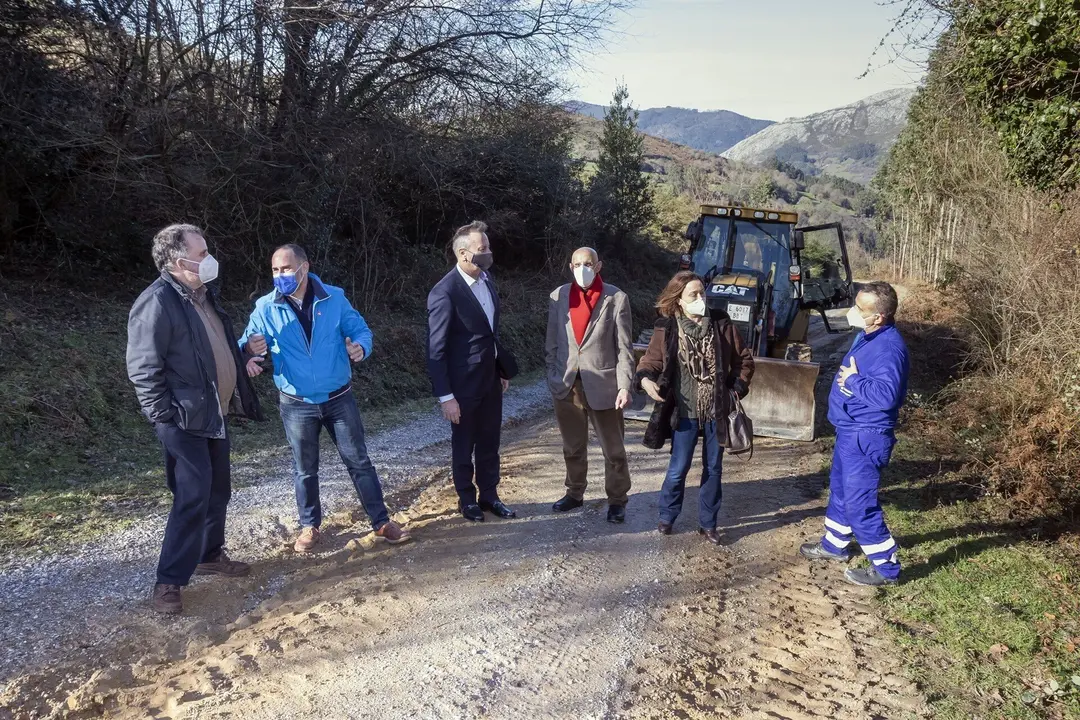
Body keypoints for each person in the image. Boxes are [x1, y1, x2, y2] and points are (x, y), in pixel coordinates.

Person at [126, 223, 264, 615]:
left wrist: (242, 360)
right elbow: (143, 368)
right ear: (176, 261)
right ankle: (168, 581)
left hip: (213, 413)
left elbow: (213, 349)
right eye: (201, 254)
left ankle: (209, 555)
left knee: (218, 489)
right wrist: (163, 416)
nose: (209, 260)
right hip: (182, 420)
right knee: (192, 495)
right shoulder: (156, 303)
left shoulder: (203, 296)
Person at [240, 244, 409, 553]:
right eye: (275, 270)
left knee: (359, 461)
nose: (280, 275)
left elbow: (362, 331)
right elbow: (246, 343)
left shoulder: (334, 298)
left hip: (339, 398)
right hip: (296, 403)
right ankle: (309, 526)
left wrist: (360, 347)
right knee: (304, 468)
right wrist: (249, 352)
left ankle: (381, 522)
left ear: (304, 267)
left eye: (286, 268)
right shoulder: (265, 307)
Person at [800, 282, 908, 586]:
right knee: (840, 490)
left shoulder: (888, 348)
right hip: (850, 430)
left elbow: (887, 396)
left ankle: (886, 568)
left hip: (867, 434)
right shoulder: (869, 335)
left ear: (879, 316)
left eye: (860, 308)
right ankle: (835, 545)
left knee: (860, 503)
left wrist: (854, 381)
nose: (853, 311)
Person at [634, 271, 754, 544]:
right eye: (693, 295)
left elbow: (744, 361)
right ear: (678, 300)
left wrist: (735, 389)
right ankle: (667, 516)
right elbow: (651, 361)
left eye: (702, 293)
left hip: (716, 410)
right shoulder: (667, 327)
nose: (701, 298)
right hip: (684, 411)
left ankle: (708, 524)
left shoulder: (721, 323)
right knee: (678, 468)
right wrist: (645, 380)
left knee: (713, 468)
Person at [427, 220, 519, 522]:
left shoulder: (487, 280)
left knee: (490, 440)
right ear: (463, 254)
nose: (488, 252)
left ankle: (490, 495)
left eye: (488, 246)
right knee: (464, 443)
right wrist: (446, 396)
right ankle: (467, 500)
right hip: (462, 385)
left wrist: (500, 368)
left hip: (490, 378)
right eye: (483, 248)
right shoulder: (444, 292)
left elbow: (490, 332)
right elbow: (436, 349)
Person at [544, 247, 635, 523]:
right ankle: (574, 492)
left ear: (598, 266)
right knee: (572, 446)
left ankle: (617, 500)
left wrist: (624, 385)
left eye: (588, 263)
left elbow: (624, 348)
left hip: (605, 386)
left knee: (614, 450)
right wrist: (553, 374)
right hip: (567, 384)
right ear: (570, 267)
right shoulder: (558, 296)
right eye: (577, 264)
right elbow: (552, 341)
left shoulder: (616, 298)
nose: (582, 269)